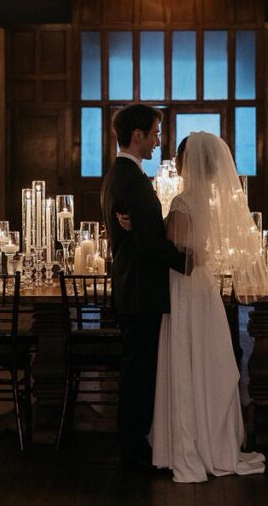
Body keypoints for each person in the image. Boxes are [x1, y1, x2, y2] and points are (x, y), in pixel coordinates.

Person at [118, 132, 268, 483]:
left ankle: (186, 446)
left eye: (179, 155)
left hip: (184, 287)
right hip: (201, 287)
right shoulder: (209, 201)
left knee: (187, 360)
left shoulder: (185, 202)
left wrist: (138, 227)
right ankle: (207, 437)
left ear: (190, 161)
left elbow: (174, 251)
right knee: (202, 360)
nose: (176, 160)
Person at [100, 104, 187, 473]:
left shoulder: (118, 175)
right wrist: (192, 262)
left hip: (133, 287)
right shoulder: (132, 179)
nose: (158, 141)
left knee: (137, 370)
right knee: (138, 375)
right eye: (154, 133)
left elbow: (143, 235)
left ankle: (136, 446)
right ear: (138, 135)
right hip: (140, 291)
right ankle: (134, 453)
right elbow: (151, 244)